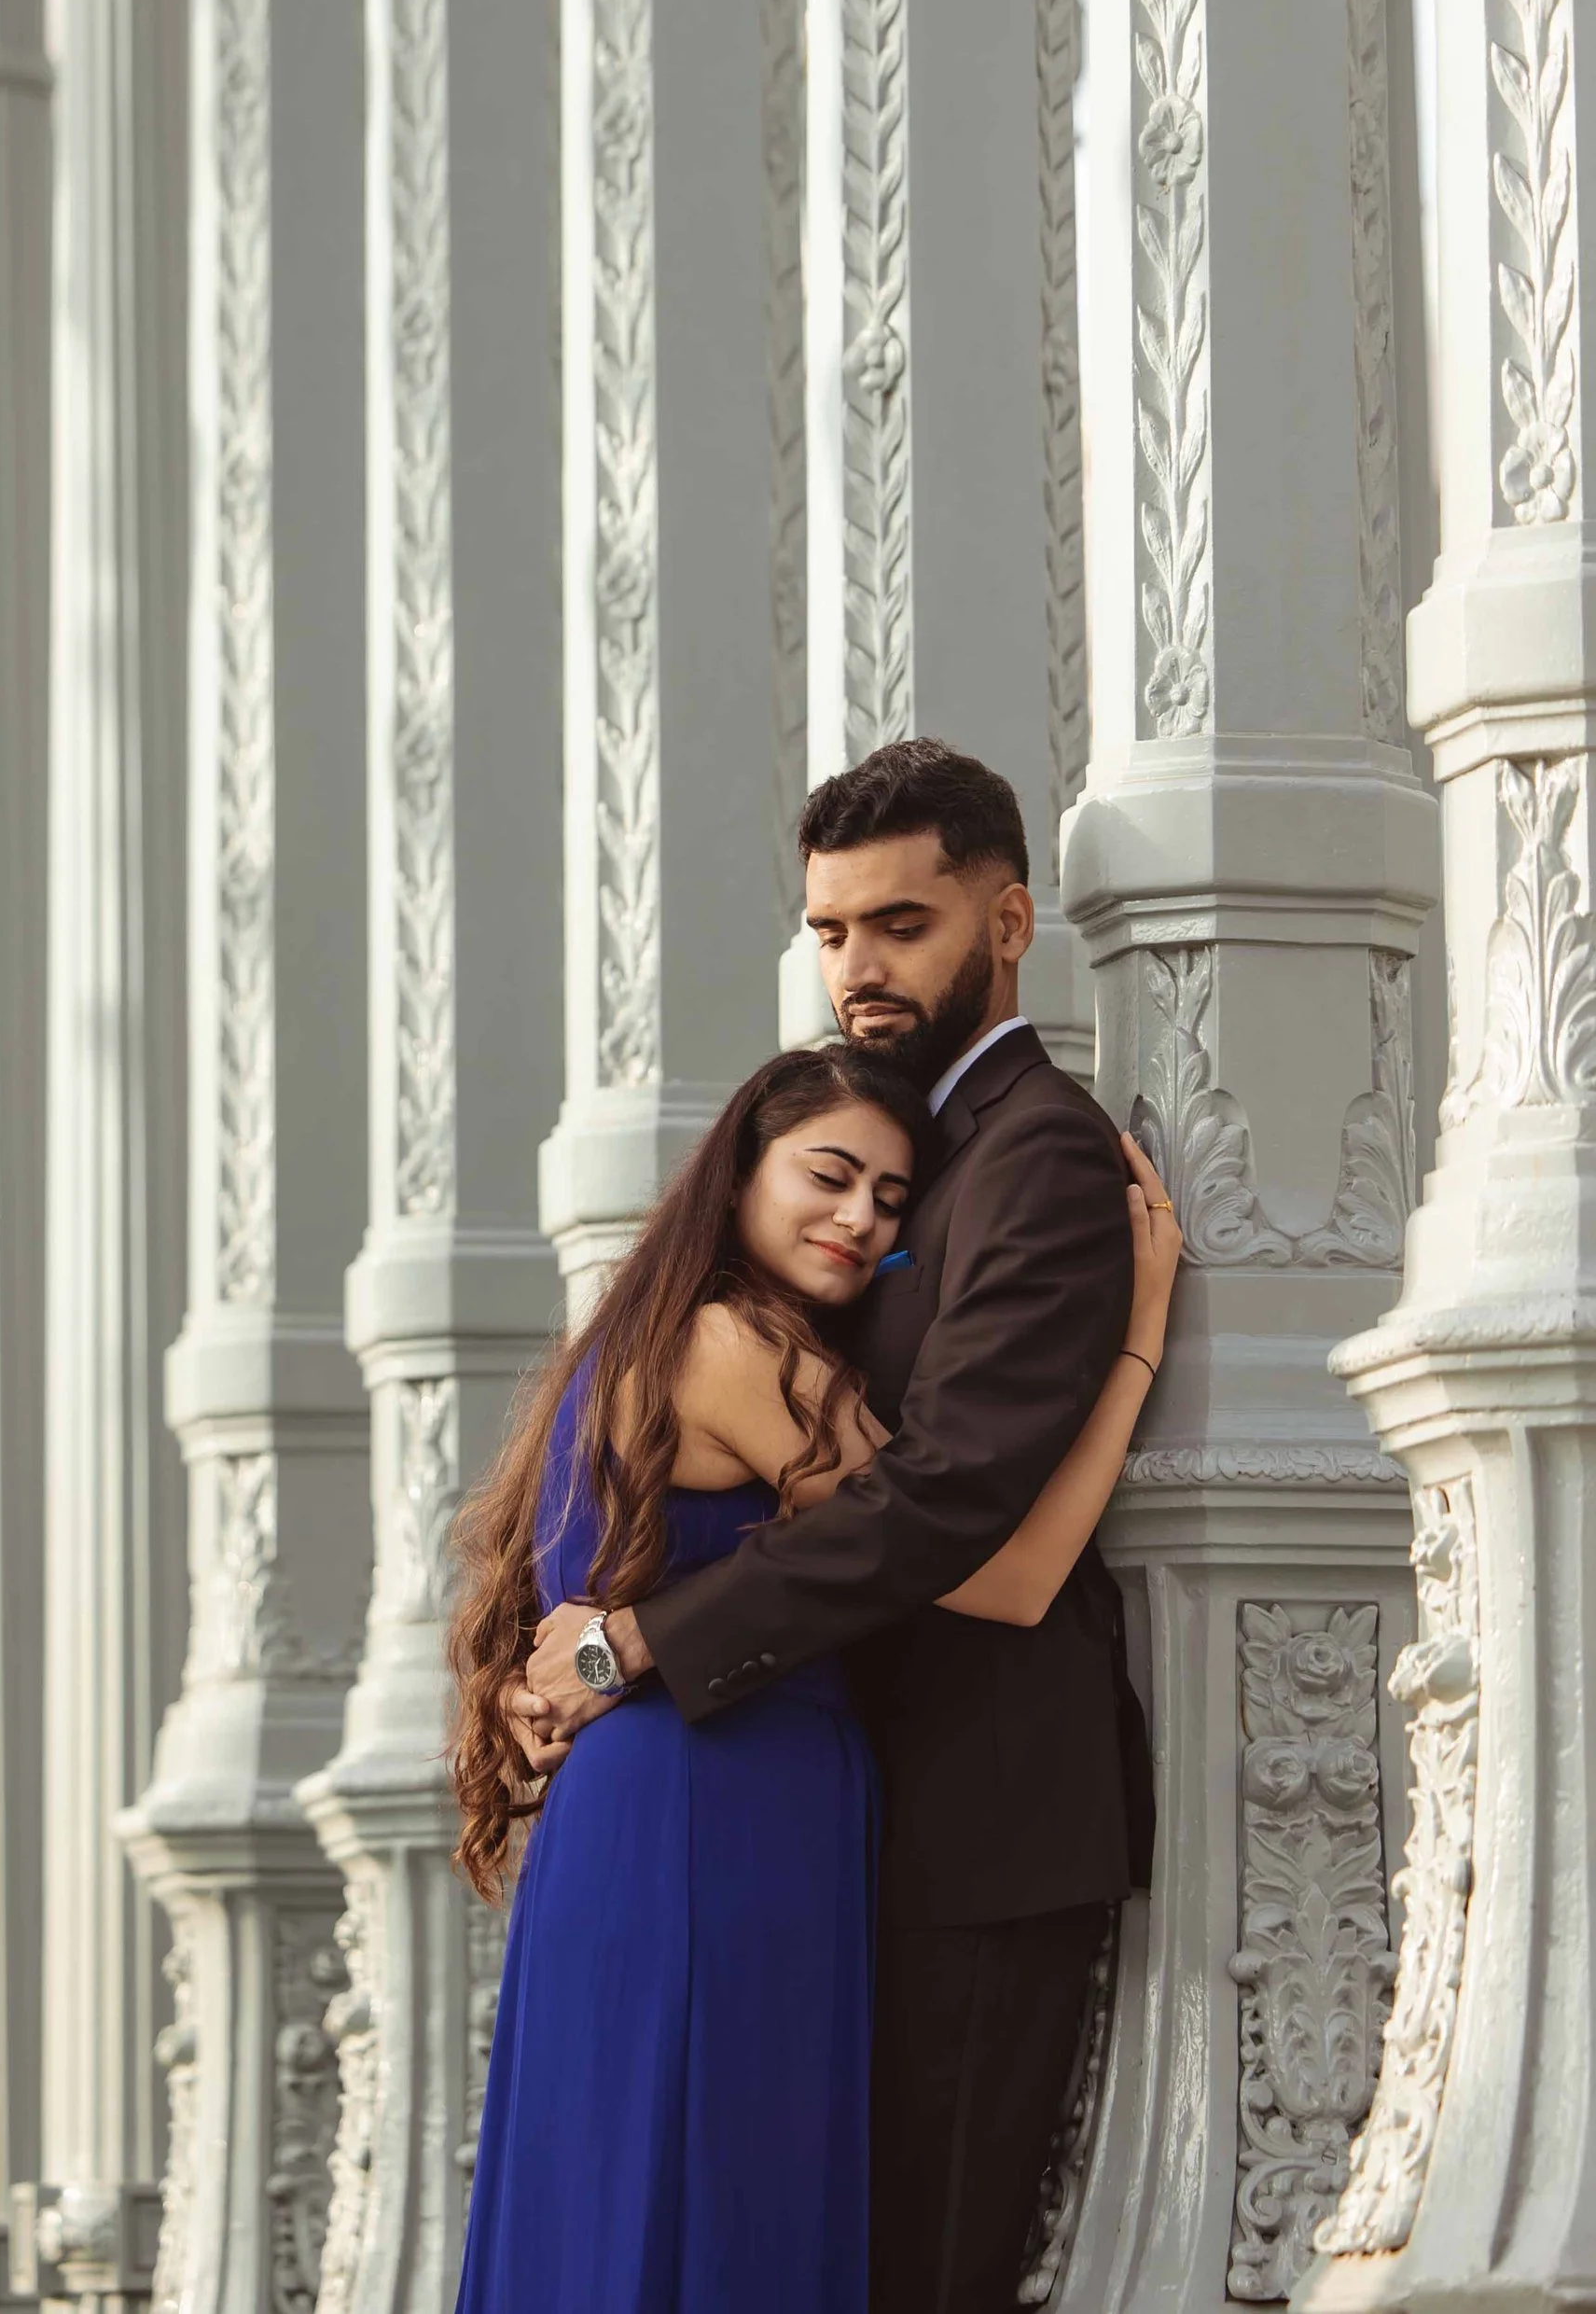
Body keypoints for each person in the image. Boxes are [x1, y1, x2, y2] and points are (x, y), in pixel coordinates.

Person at [515, 737, 1163, 2312]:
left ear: (1009, 922)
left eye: (900, 925)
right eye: (829, 931)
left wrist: (627, 1649)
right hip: (811, 1811)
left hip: (968, 1819)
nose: (857, 967)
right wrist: (596, 1660)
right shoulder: (851, 1222)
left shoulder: (1033, 1153)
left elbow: (945, 1501)